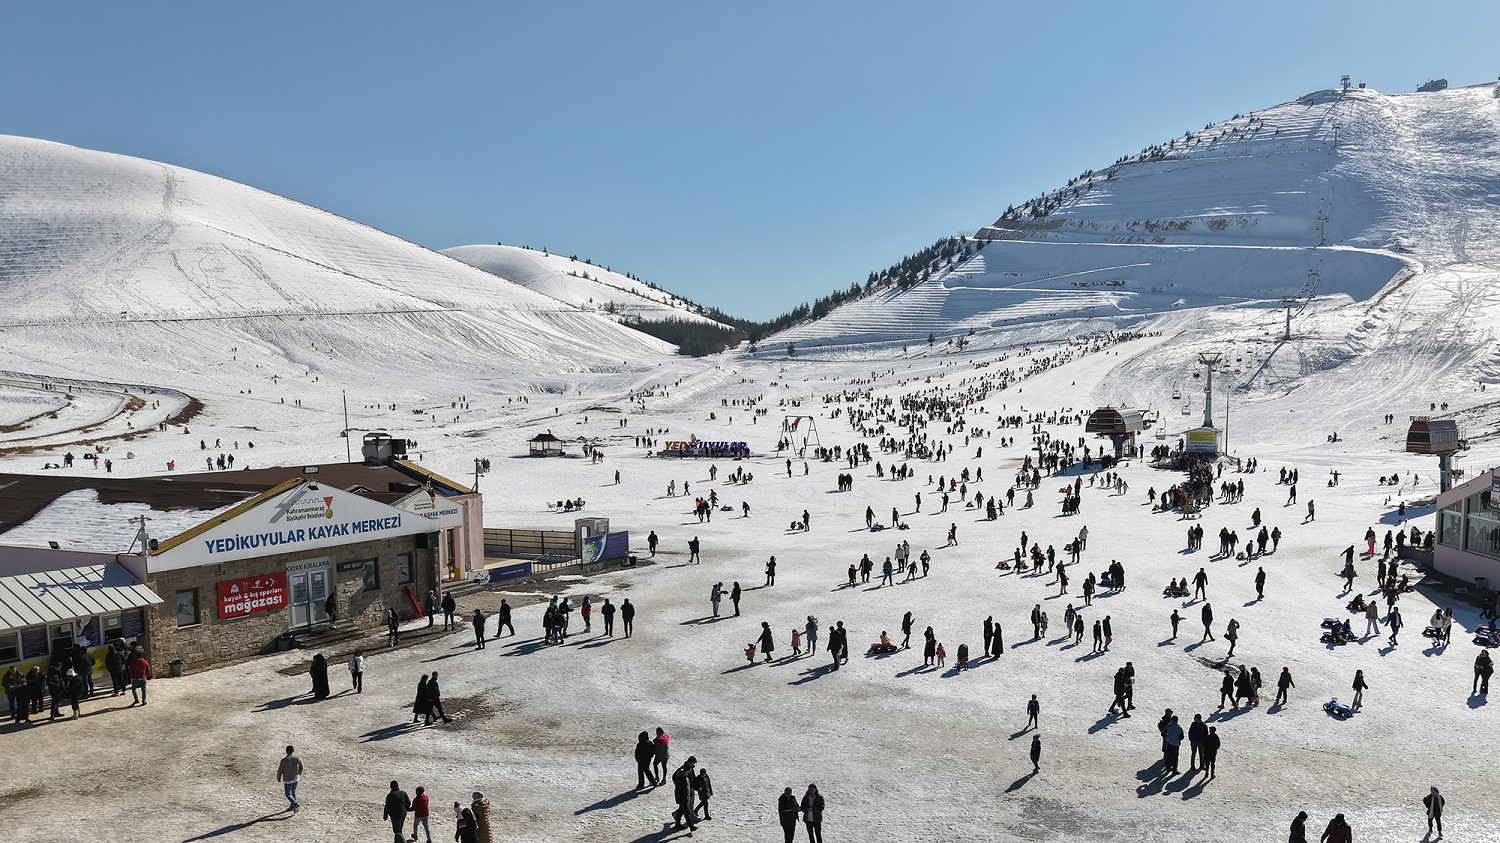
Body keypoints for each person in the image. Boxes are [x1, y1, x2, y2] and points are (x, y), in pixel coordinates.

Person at [671, 758, 698, 832]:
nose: (690, 771)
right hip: (683, 798)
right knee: (686, 812)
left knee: (681, 810)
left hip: (686, 796)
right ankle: (691, 826)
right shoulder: (681, 778)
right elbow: (678, 790)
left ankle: (677, 823)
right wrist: (679, 799)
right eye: (689, 770)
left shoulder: (685, 777)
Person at [276, 746, 303, 811]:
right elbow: (301, 766)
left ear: (286, 751)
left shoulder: (284, 760)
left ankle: (295, 803)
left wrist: (278, 777)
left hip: (288, 780)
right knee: (293, 791)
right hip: (295, 778)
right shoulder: (297, 758)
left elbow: (280, 770)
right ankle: (292, 806)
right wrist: (299, 773)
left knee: (288, 794)